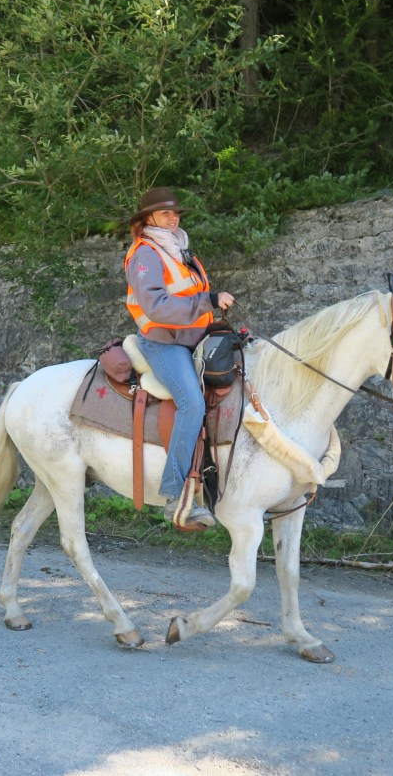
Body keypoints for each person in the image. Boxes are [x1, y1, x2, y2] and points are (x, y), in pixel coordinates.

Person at [124, 187, 234, 531]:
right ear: (148, 219)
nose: (173, 218)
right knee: (192, 403)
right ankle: (174, 495)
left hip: (193, 337)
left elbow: (189, 293)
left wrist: (212, 319)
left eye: (175, 213)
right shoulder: (145, 255)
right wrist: (208, 301)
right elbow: (157, 306)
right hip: (163, 342)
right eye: (165, 213)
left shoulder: (178, 249)